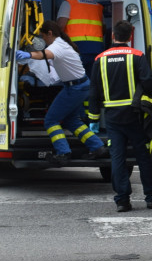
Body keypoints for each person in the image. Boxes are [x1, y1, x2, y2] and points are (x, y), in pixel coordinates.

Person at [88, 20, 152, 213]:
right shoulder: (137, 56)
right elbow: (148, 83)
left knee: (118, 158)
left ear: (113, 35)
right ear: (130, 36)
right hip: (135, 115)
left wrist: (94, 120)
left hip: (112, 117)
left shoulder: (100, 59)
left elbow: (94, 92)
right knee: (144, 156)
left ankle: (122, 200)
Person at [15, 20, 107, 166]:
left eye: (44, 36)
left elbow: (43, 55)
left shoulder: (57, 46)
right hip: (80, 86)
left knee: (51, 120)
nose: (43, 40)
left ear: (50, 33)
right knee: (72, 121)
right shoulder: (63, 44)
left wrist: (27, 54)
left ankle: (63, 153)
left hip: (74, 88)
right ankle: (97, 147)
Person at [57, 0, 105, 74]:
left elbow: (60, 26)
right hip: (97, 47)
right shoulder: (97, 5)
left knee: (76, 77)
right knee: (93, 77)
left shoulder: (68, 2)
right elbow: (104, 28)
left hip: (76, 47)